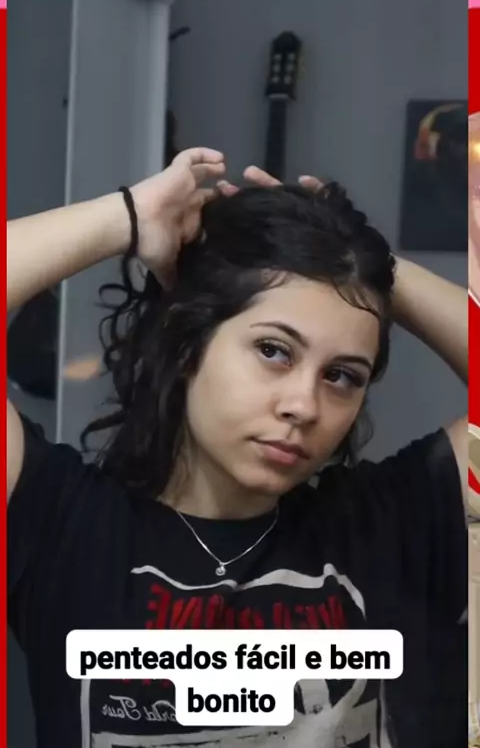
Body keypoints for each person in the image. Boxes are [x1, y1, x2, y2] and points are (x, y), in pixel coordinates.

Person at [7, 148, 468, 748]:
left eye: (341, 376)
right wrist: (131, 216)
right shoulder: (60, 523)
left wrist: (361, 262)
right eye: (274, 351)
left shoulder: (399, 525)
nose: (303, 405)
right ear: (186, 345)